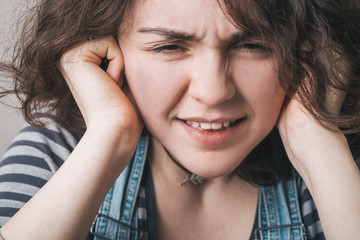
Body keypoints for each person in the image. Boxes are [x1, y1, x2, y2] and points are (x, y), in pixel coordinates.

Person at [0, 0, 359, 239]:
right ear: (105, 50)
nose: (214, 91)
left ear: (307, 52)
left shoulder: (336, 161)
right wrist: (109, 137)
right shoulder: (63, 146)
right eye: (169, 46)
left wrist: (316, 137)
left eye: (254, 45)